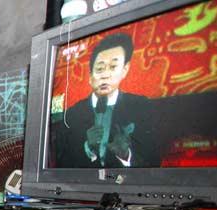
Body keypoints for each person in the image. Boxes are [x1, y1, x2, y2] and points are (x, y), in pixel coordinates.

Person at [53, 32, 157, 168]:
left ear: (125, 70)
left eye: (113, 67)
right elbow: (60, 164)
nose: (105, 75)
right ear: (90, 76)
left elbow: (153, 159)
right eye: (100, 69)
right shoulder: (72, 115)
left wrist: (125, 155)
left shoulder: (141, 107)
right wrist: (87, 147)